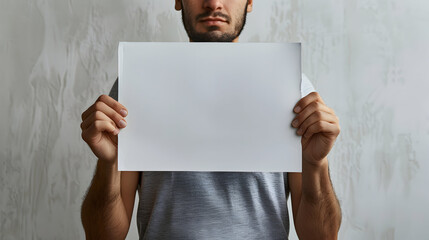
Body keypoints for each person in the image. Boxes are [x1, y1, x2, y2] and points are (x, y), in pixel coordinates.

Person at [80, 0, 342, 239]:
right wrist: (109, 163)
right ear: (178, 1)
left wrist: (315, 163)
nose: (213, 3)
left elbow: (321, 236)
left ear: (250, 2)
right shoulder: (136, 83)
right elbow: (102, 236)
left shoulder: (292, 88)